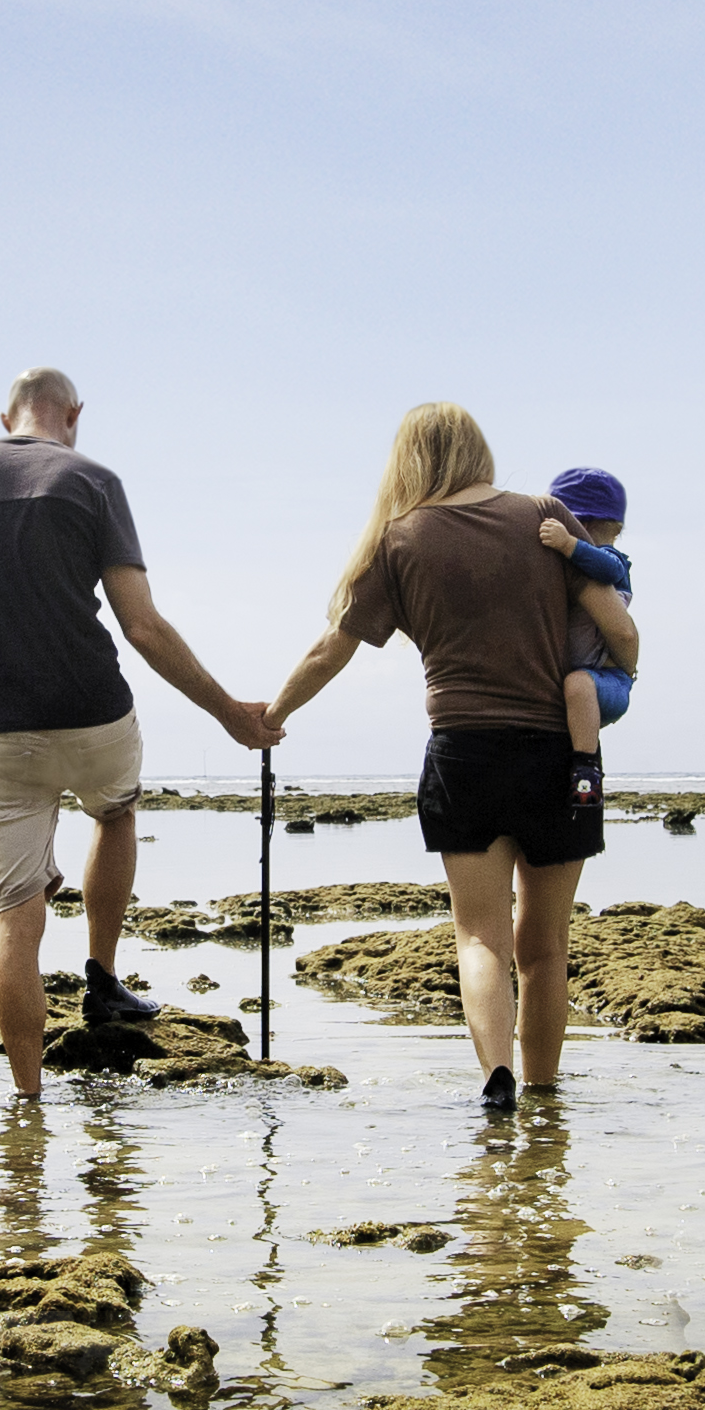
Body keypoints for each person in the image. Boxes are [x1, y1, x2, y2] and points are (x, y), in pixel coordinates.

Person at [0, 367, 280, 1101]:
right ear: (73, 413)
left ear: (5, 416)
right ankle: (102, 979)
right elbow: (142, 625)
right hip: (95, 711)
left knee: (17, 914)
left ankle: (28, 1104)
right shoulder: (92, 479)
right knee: (114, 810)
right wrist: (230, 713)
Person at [265, 403, 642, 1113]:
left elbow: (331, 648)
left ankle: (496, 1077)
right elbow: (617, 627)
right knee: (546, 945)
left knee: (479, 936)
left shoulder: (399, 537)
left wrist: (272, 715)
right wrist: (614, 678)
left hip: (462, 757)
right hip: (556, 755)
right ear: (478, 450)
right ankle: (546, 1092)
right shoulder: (543, 513)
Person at [536, 466, 633, 761]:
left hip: (605, 679)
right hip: (578, 685)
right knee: (574, 685)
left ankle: (585, 768)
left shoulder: (610, 561)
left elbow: (609, 569)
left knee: (578, 684)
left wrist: (568, 543)